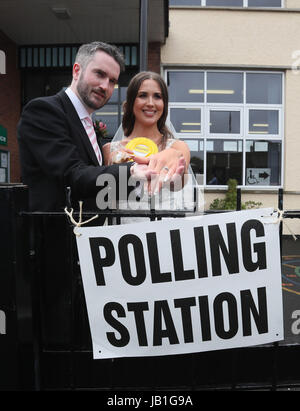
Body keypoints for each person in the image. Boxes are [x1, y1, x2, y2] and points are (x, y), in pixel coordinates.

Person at [17, 42, 161, 212]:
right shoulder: (43, 111)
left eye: (112, 81)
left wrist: (143, 182)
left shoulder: (88, 124)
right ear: (77, 71)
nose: (105, 86)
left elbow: (95, 187)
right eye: (99, 74)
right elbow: (71, 176)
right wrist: (130, 171)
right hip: (55, 233)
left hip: (88, 234)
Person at [102, 71, 196, 220]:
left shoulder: (178, 148)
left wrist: (173, 167)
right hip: (123, 232)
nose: (151, 103)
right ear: (132, 102)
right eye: (143, 95)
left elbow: (178, 184)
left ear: (164, 104)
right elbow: (107, 200)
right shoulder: (110, 150)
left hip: (164, 230)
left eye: (157, 96)